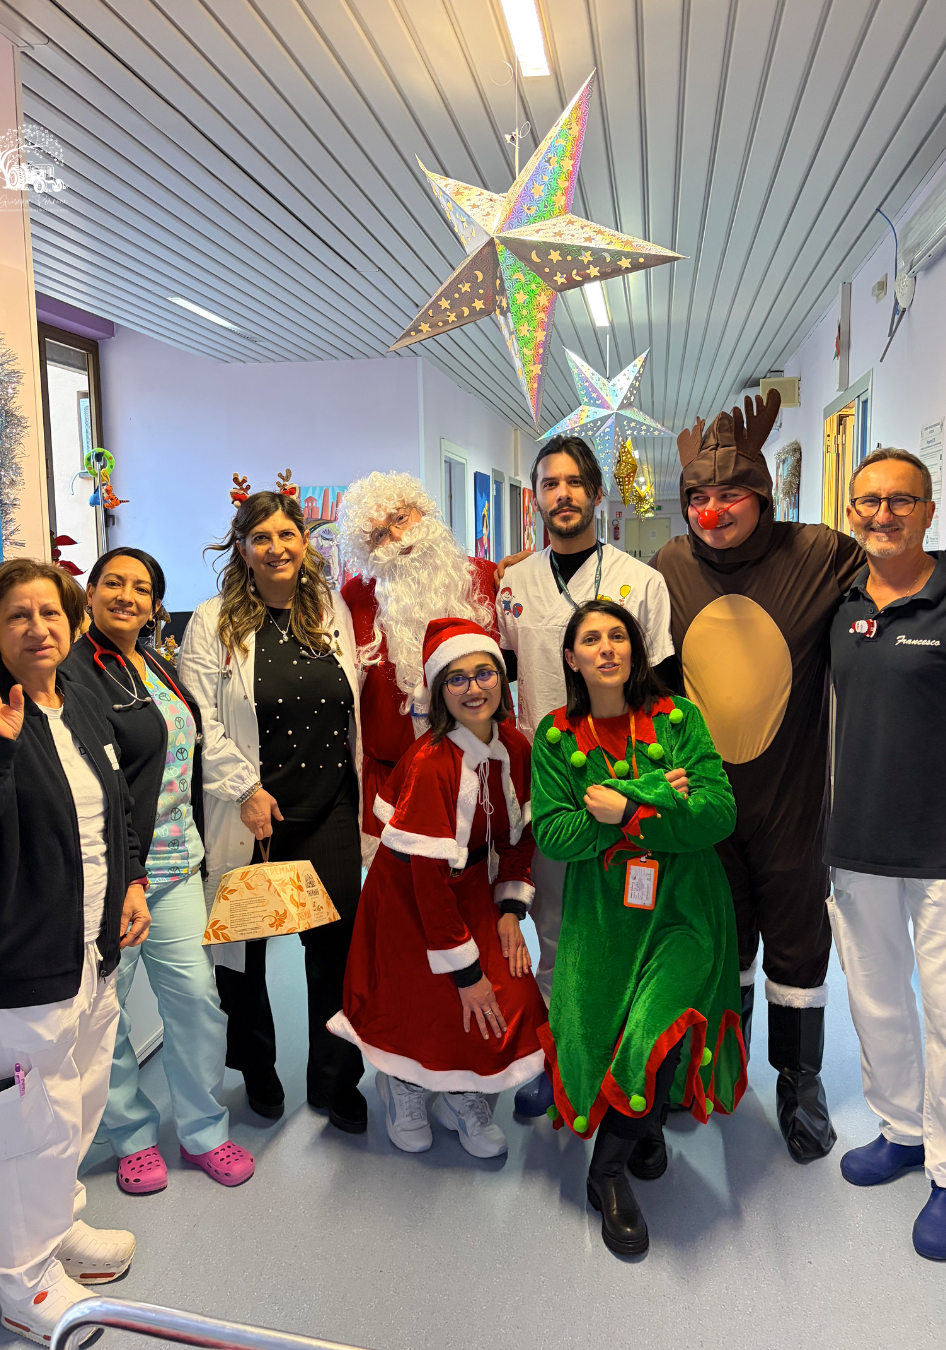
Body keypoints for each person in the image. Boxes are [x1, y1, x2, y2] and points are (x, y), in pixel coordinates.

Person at [650, 390, 946, 1163]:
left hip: (796, 801)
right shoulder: (669, 564)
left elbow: (906, 559)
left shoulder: (818, 553)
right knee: (716, 938)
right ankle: (717, 1064)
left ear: (763, 495)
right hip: (703, 803)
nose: (714, 511)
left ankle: (798, 1079)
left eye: (731, 494)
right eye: (699, 497)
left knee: (799, 944)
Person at [0, 559, 150, 1346]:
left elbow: (113, 812)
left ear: (72, 622)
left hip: (90, 954)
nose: (38, 628)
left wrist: (131, 883)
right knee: (22, 1132)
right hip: (14, 971)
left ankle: (60, 1228)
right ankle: (24, 1284)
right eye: (18, 615)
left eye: (51, 613)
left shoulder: (79, 702)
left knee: (78, 1104)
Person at [826, 449, 946, 1261]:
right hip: (858, 844)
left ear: (931, 511)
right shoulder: (840, 603)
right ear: (850, 512)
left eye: (902, 500)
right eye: (868, 501)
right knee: (876, 1004)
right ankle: (901, 1129)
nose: (883, 514)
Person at [530, 600, 744, 1257]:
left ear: (636, 648)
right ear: (572, 658)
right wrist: (662, 793)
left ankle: (606, 1173)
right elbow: (555, 833)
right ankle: (643, 1125)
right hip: (604, 918)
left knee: (659, 1021)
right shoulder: (555, 736)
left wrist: (628, 807)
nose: (606, 648)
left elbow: (717, 814)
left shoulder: (678, 719)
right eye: (591, 639)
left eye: (618, 636)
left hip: (685, 910)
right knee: (610, 1029)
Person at [495, 435, 676, 1118]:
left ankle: (628, 1063)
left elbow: (663, 687)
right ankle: (559, 1057)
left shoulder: (641, 580)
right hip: (549, 779)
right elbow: (498, 682)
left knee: (629, 925)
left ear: (597, 494)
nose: (563, 495)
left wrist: (651, 788)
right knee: (555, 925)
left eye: (574, 483)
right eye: (550, 484)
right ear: (536, 499)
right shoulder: (513, 586)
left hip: (625, 778)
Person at [65, 547, 254, 1192]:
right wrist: (127, 877)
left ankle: (204, 1131)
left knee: (197, 1001)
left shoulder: (156, 665)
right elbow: (100, 787)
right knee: (108, 1015)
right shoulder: (73, 676)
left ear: (154, 605)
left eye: (141, 588)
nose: (127, 596)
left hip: (178, 865)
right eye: (113, 583)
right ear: (90, 594)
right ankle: (132, 1136)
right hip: (115, 878)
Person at [179, 490, 366, 1132]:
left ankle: (335, 1081)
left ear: (304, 542)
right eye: (261, 537)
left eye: (287, 534)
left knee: (335, 954)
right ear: (242, 549)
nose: (277, 547)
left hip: (330, 809)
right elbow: (201, 719)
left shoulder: (330, 610)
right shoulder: (213, 621)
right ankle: (258, 1070)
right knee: (245, 954)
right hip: (255, 817)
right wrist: (244, 789)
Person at [328, 618, 547, 1157]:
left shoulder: (516, 747)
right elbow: (426, 882)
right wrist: (467, 973)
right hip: (406, 895)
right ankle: (403, 1083)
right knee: (421, 997)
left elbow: (520, 838)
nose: (474, 688)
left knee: (508, 992)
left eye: (484, 673)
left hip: (469, 887)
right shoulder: (431, 762)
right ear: (440, 691)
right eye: (457, 678)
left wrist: (510, 910)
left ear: (501, 679)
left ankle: (463, 1093)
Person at [337, 471, 500, 857]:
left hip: (477, 772)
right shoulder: (354, 598)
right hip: (390, 784)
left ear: (422, 513)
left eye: (400, 518)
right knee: (396, 887)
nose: (397, 537)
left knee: (474, 880)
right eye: (379, 534)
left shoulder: (485, 577)